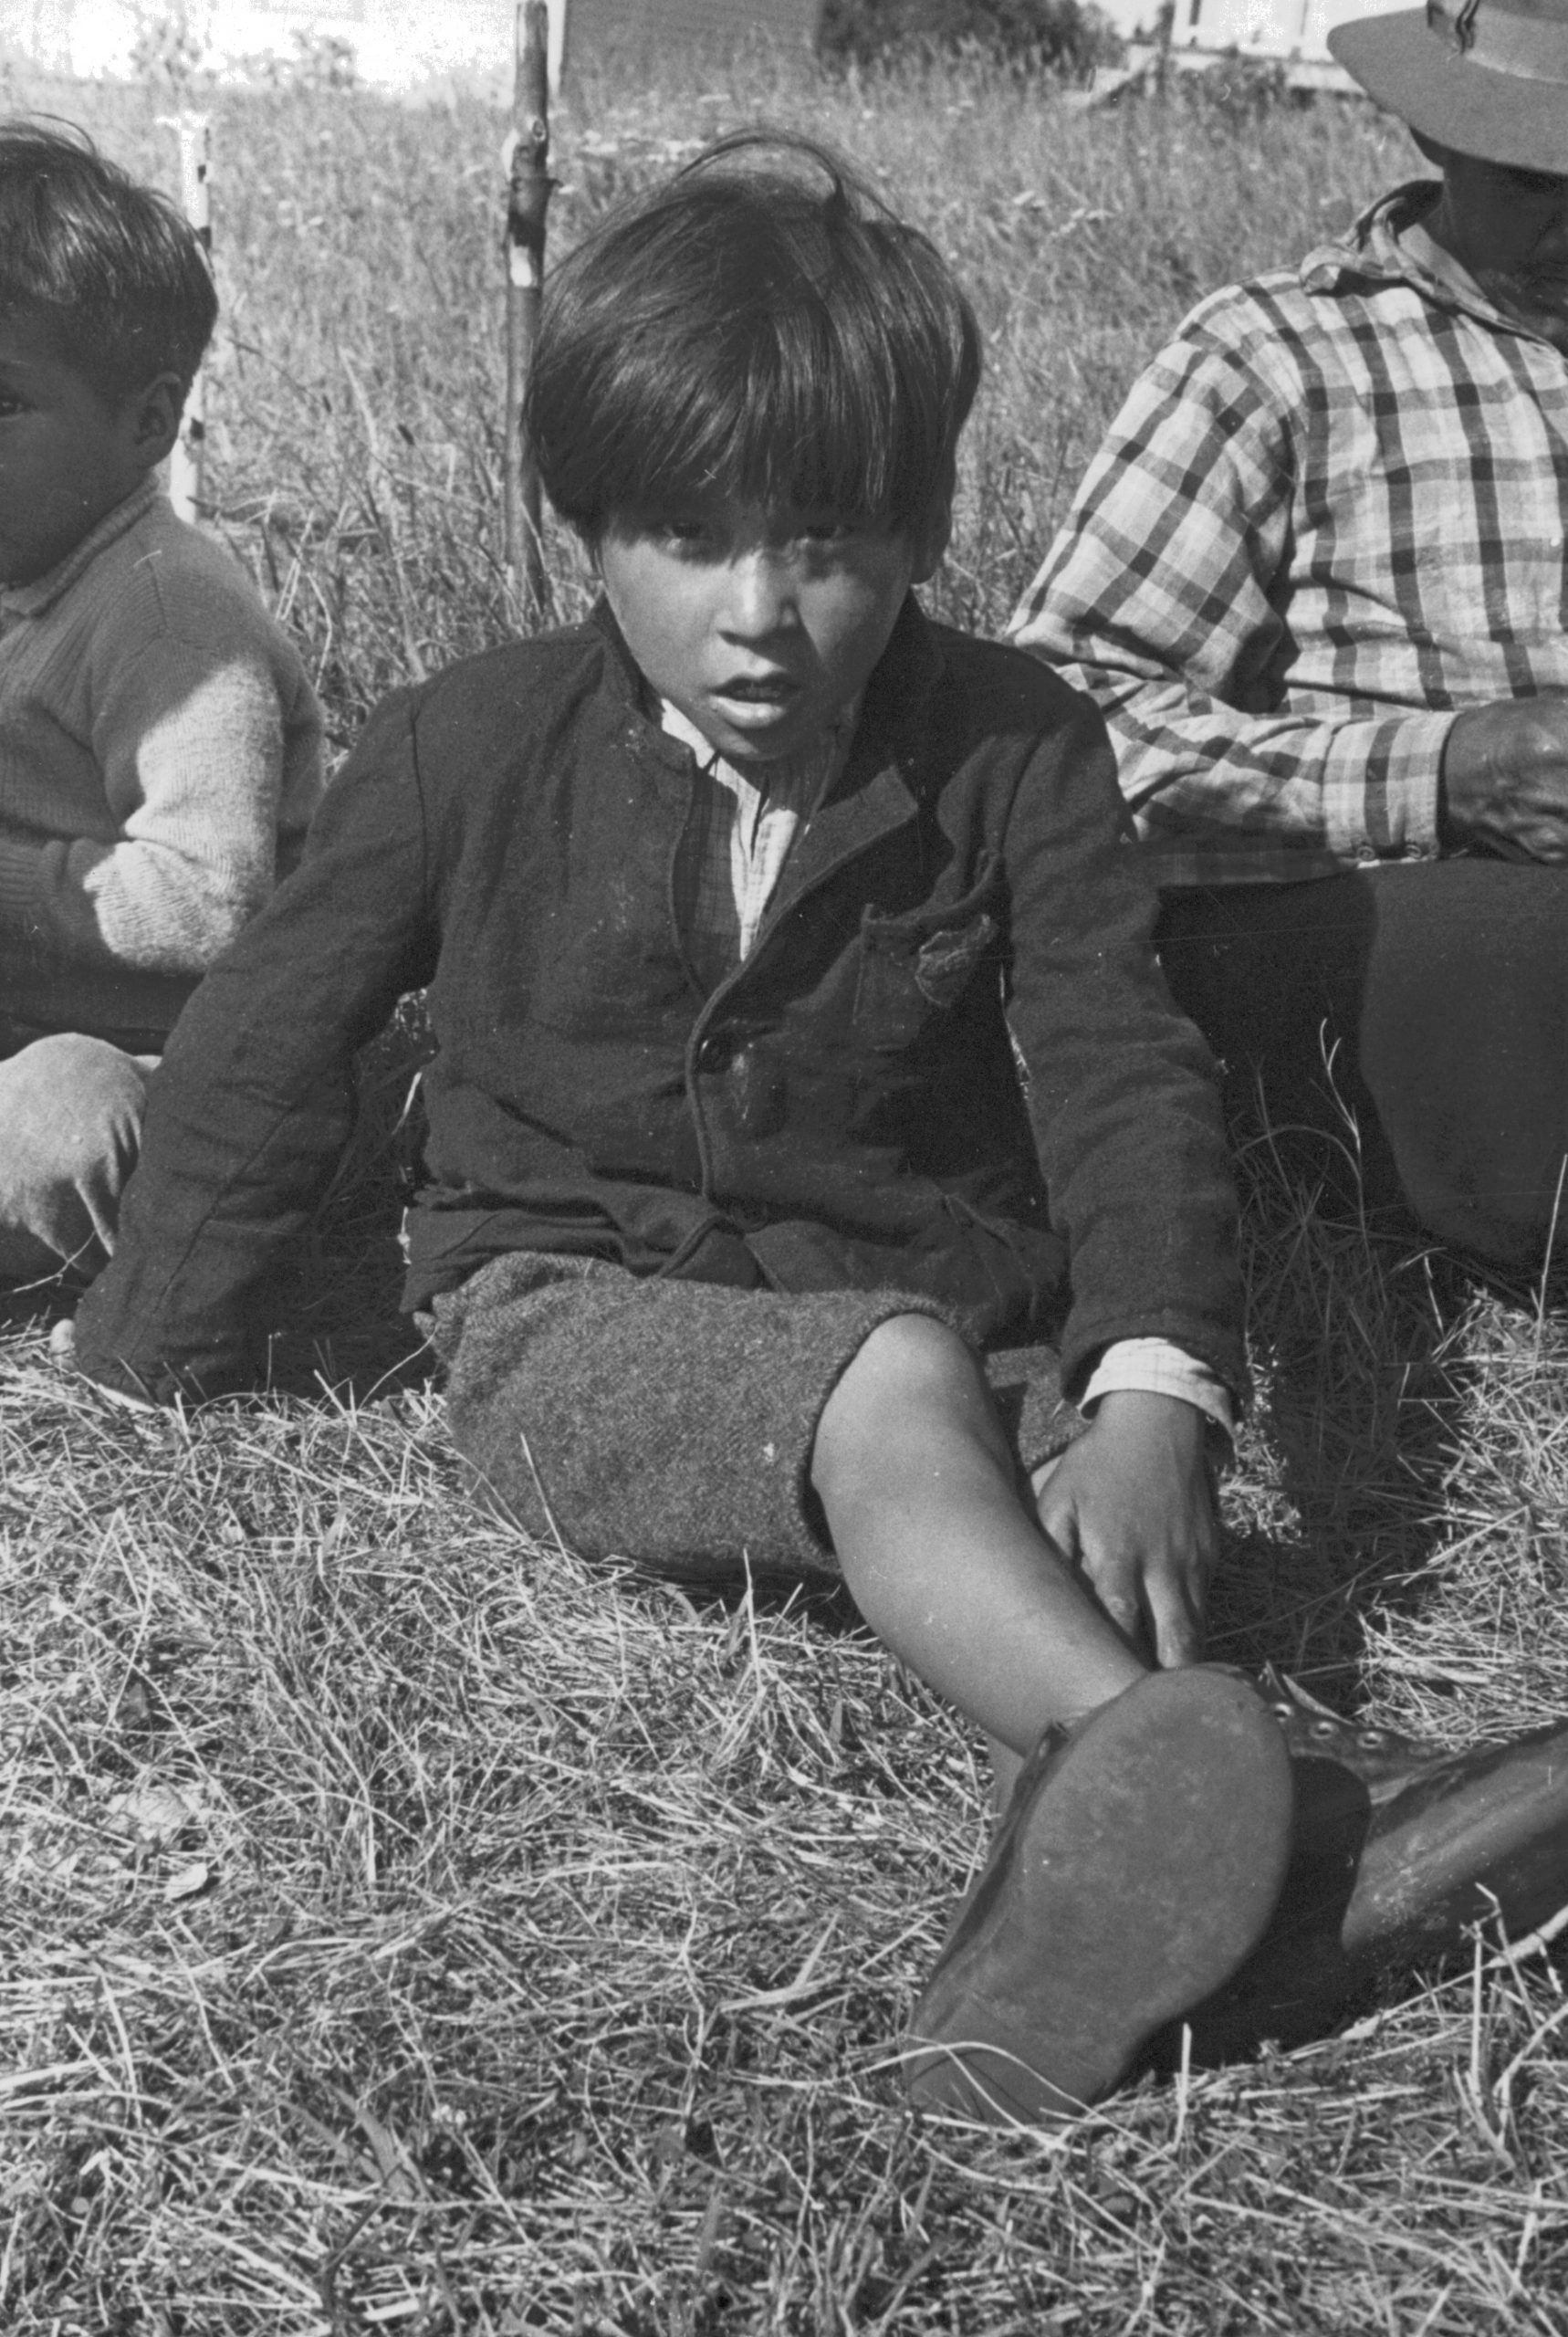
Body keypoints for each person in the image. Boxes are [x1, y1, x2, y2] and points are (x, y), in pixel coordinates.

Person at [68, 134, 1568, 2122]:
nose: (762, 611)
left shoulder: (1020, 742)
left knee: (1036, 1472)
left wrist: (1156, 1388)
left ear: (932, 523)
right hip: (572, 1313)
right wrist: (153, 1339)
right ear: (588, 523)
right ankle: (1250, 1809)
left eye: (832, 542)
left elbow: (1122, 1067)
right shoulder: (474, 738)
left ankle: (1187, 1858)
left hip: (952, 1311)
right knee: (891, 1386)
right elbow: (273, 1025)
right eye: (693, 540)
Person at [1012, 0, 1568, 1271]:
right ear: (1444, 139)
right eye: (1542, 179)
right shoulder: (1281, 356)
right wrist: (1443, 773)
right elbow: (1061, 725)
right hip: (1391, 927)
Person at [0, 123, 322, 1285]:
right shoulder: (28, 565)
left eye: (1, 405)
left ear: (148, 419)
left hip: (157, 1058)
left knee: (60, 1119)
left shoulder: (172, 617)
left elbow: (209, 905)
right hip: (31, 997)